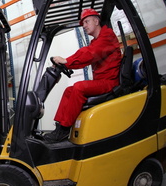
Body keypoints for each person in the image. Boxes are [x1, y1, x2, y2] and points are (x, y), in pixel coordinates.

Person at [43, 8, 122, 143]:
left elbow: (89, 54)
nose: (84, 26)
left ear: (96, 21)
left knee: (79, 87)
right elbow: (85, 57)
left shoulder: (107, 36)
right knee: (69, 90)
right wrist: (66, 64)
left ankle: (64, 128)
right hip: (101, 81)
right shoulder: (95, 42)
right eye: (83, 23)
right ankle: (60, 128)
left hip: (109, 82)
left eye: (86, 21)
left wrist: (67, 61)